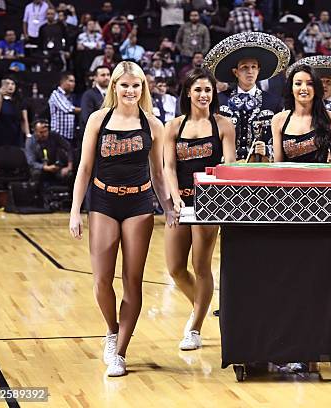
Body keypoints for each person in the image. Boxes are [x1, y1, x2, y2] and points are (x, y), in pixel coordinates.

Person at [69, 61, 174, 377]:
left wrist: (168, 206)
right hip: (103, 200)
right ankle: (112, 331)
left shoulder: (153, 124)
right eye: (124, 85)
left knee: (132, 280)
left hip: (139, 202)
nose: (130, 90)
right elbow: (85, 168)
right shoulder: (98, 120)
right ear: (113, 86)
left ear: (143, 88)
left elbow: (157, 172)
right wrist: (75, 210)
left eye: (136, 85)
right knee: (102, 278)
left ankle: (120, 351)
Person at [163, 67, 236, 350]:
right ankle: (202, 306)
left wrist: (221, 196)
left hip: (209, 203)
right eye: (198, 90)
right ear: (188, 93)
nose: (204, 95)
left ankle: (195, 327)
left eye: (208, 90)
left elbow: (227, 166)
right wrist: (173, 199)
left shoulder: (223, 125)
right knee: (175, 268)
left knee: (200, 265)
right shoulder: (174, 126)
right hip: (181, 202)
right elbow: (168, 166)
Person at [204, 31, 290, 160]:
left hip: (261, 168)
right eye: (244, 67)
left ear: (258, 70)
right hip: (226, 168)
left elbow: (283, 140)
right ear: (235, 72)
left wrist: (267, 150)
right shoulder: (220, 101)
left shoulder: (274, 102)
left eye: (253, 67)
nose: (250, 71)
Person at [272, 64, 331, 164]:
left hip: (320, 179)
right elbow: (277, 164)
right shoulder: (278, 120)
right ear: (291, 89)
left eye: (310, 84)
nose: (304, 88)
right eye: (298, 83)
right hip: (289, 178)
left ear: (316, 88)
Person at [25, 119, 73, 185]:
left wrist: (69, 166)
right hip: (40, 168)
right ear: (35, 132)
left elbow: (69, 148)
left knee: (69, 174)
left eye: (46, 131)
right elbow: (31, 162)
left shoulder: (54, 135)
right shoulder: (30, 141)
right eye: (41, 132)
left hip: (55, 166)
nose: (44, 134)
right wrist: (45, 167)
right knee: (36, 173)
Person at [0, 78, 31, 148]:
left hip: (15, 136)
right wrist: (0, 96)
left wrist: (28, 135)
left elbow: (24, 120)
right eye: (7, 84)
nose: (10, 86)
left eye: (13, 84)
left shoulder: (20, 101)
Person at [48, 72, 80, 144]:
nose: (73, 84)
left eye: (74, 81)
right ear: (63, 82)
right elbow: (67, 109)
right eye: (71, 81)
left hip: (69, 136)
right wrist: (86, 110)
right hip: (58, 136)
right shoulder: (55, 94)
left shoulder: (70, 96)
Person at [80, 66, 111, 133]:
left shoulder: (114, 93)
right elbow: (87, 118)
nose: (106, 77)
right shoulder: (88, 95)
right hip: (94, 134)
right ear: (95, 78)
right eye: (103, 75)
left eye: (108, 75)